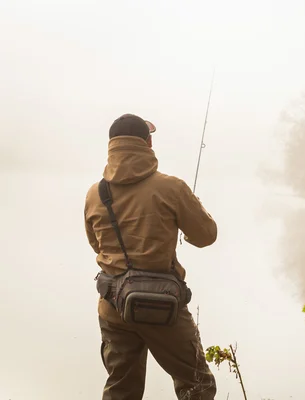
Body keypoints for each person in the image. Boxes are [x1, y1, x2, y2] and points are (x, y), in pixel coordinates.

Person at [83, 113, 218, 400]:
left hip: (113, 306)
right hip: (163, 307)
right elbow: (206, 235)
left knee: (121, 390)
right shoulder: (172, 187)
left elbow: (97, 245)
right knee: (198, 386)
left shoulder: (95, 193)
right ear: (148, 143)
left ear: (112, 147)